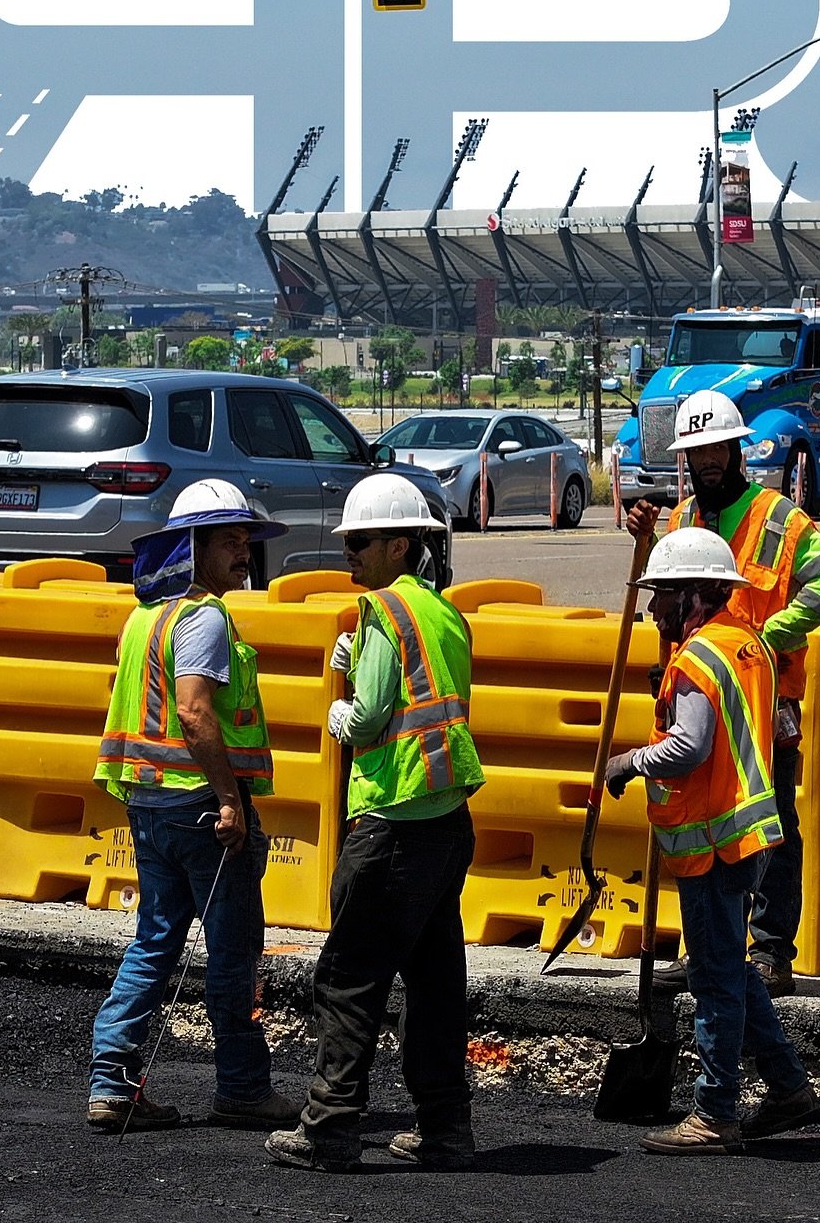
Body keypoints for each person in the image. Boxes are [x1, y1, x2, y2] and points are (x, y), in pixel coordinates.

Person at [266, 473, 485, 1173]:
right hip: (446, 822)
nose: (348, 555)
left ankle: (329, 1126)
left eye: (360, 543)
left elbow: (367, 718)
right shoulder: (442, 611)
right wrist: (360, 659)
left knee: (349, 977)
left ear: (400, 543)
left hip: (391, 826)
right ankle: (445, 1129)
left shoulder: (384, 612)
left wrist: (340, 707)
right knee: (433, 981)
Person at [87, 478, 300, 1133]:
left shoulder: (145, 615)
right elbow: (194, 708)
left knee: (154, 942)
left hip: (149, 807)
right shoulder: (203, 616)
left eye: (245, 540)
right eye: (229, 541)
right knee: (234, 953)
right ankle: (240, 1087)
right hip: (201, 808)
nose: (243, 553)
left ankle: (110, 1084)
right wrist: (231, 800)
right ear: (192, 547)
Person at [604, 527, 820, 1154]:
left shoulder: (699, 659)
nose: (653, 609)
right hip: (747, 832)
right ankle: (787, 1089)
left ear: (695, 595)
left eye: (664, 596)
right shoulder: (746, 644)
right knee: (729, 966)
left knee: (716, 979)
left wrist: (627, 764)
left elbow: (689, 747)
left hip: (717, 843)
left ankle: (715, 1111)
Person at [626, 388, 820, 998]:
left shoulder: (779, 518)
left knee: (769, 819)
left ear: (737, 447)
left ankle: (772, 950)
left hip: (765, 700)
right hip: (698, 697)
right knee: (700, 818)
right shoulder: (681, 521)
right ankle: (708, 948)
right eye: (697, 452)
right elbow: (664, 599)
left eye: (717, 448)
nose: (708, 461)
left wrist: (770, 637)